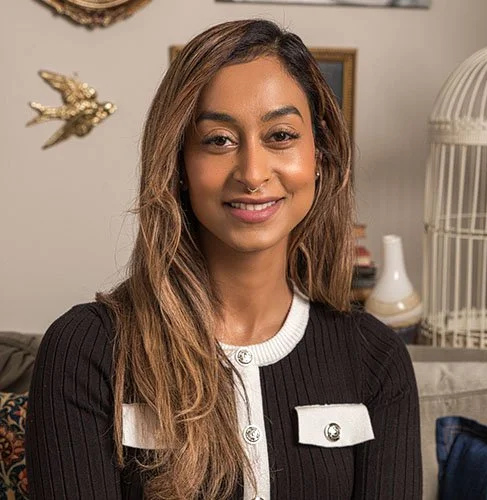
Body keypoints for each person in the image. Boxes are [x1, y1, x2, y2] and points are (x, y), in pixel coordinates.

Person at [26, 19, 422, 500]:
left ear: (320, 155)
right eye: (218, 140)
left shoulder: (376, 360)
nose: (253, 173)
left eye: (280, 135)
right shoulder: (86, 351)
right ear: (179, 165)